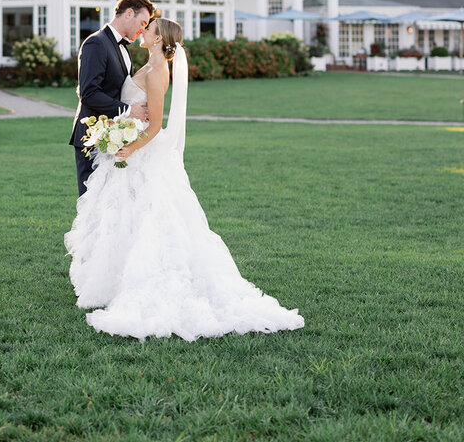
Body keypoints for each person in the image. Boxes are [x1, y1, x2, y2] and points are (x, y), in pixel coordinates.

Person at [65, 17, 305, 341]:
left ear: (159, 38)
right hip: (129, 148)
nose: (144, 31)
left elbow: (153, 126)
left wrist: (127, 149)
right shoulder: (146, 65)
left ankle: (147, 283)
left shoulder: (157, 71)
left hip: (140, 153)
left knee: (148, 220)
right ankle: (115, 281)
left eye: (149, 29)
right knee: (123, 218)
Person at [70, 0, 154, 197]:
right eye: (142, 22)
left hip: (114, 136)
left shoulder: (123, 48)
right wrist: (128, 110)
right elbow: (89, 93)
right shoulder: (96, 43)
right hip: (92, 136)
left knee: (111, 204)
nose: (143, 29)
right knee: (92, 201)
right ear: (128, 13)